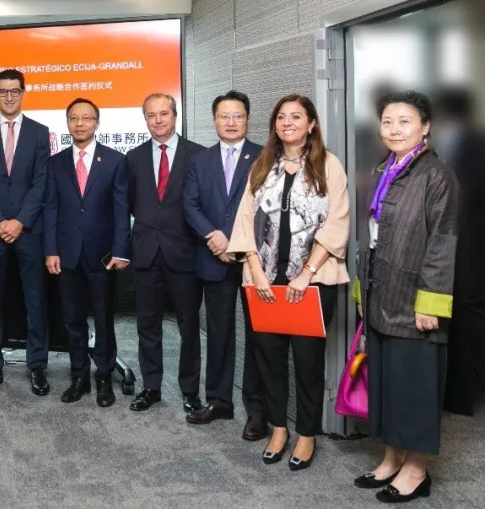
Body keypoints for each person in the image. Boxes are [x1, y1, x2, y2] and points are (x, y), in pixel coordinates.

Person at [226, 94, 350, 471]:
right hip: (264, 280)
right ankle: (279, 428)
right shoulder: (263, 164)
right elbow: (245, 219)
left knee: (308, 362)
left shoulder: (329, 165)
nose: (287, 122)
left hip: (313, 281)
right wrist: (256, 269)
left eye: (296, 116)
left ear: (311, 124)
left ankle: (307, 434)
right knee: (268, 359)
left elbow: (337, 222)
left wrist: (307, 272)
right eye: (281, 117)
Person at [352, 91, 459, 503]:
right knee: (389, 385)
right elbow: (369, 238)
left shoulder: (436, 175)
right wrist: (362, 290)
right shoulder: (384, 168)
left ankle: (417, 470)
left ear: (425, 127)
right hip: (381, 293)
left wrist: (430, 303)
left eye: (405, 121)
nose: (394, 129)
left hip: (415, 302)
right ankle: (392, 457)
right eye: (387, 121)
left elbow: (443, 241)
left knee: (415, 389)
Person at [181, 91, 268, 440]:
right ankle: (219, 401)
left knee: (257, 335)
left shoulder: (265, 156)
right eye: (224, 116)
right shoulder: (199, 160)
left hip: (253, 262)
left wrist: (238, 243)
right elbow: (190, 205)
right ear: (214, 120)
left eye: (238, 116)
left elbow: (269, 209)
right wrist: (213, 237)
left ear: (248, 119)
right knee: (218, 333)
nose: (231, 122)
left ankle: (257, 410)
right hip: (213, 257)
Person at [0, 69, 52, 396]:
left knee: (35, 299)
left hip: (28, 230)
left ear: (23, 93)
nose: (9, 96)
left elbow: (41, 183)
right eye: (2, 91)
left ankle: (37, 365)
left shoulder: (39, 132)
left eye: (14, 91)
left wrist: (20, 221)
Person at [43, 98, 129, 407]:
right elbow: (50, 208)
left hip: (103, 255)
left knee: (104, 317)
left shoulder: (115, 161)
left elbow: (121, 210)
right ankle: (78, 375)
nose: (80, 124)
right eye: (74, 118)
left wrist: (121, 250)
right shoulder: (55, 163)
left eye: (86, 118)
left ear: (97, 123)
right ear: (67, 124)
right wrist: (50, 250)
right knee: (72, 318)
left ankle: (103, 375)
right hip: (66, 254)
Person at [124, 93, 204, 412]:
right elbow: (132, 203)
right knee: (147, 324)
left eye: (164, 114)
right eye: (151, 115)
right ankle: (151, 387)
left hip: (184, 252)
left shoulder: (197, 155)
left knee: (188, 325)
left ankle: (190, 390)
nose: (158, 120)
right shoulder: (133, 157)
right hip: (146, 250)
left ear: (174, 115)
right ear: (145, 119)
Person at [433, 87, 484, 416]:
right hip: (448, 243)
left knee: (470, 311)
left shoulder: (476, 146)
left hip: (472, 244)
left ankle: (473, 389)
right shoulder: (436, 145)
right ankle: (458, 392)